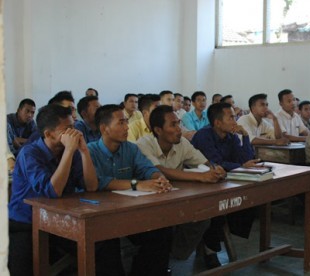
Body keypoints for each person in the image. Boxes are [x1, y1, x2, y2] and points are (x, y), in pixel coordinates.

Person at [8, 104, 124, 276]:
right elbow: (53, 190)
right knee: (24, 264)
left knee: (105, 241)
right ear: (48, 134)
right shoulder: (29, 154)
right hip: (26, 223)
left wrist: (84, 151)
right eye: (68, 129)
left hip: (60, 220)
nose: (74, 133)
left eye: (74, 127)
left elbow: (91, 186)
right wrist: (70, 150)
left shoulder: (70, 151)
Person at [88, 104, 173, 275]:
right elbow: (99, 182)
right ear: (104, 128)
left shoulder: (131, 148)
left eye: (126, 122)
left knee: (161, 230)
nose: (127, 127)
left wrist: (158, 178)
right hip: (99, 216)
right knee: (107, 242)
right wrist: (137, 184)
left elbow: (146, 168)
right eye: (121, 123)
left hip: (127, 213)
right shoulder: (90, 151)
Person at [136, 105, 226, 260]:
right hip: (150, 202)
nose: (179, 129)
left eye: (179, 123)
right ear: (158, 130)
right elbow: (158, 170)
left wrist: (215, 169)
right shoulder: (143, 144)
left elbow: (203, 161)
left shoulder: (182, 142)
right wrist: (200, 177)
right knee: (160, 231)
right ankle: (162, 259)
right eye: (173, 125)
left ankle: (176, 254)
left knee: (204, 215)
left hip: (177, 197)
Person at [191, 102, 259, 268]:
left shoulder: (232, 136)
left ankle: (223, 233)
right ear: (217, 122)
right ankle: (210, 249)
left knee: (252, 198)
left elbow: (246, 160)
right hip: (202, 184)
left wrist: (245, 136)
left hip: (224, 181)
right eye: (231, 117)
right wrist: (241, 166)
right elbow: (216, 163)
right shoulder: (203, 136)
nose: (235, 120)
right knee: (215, 210)